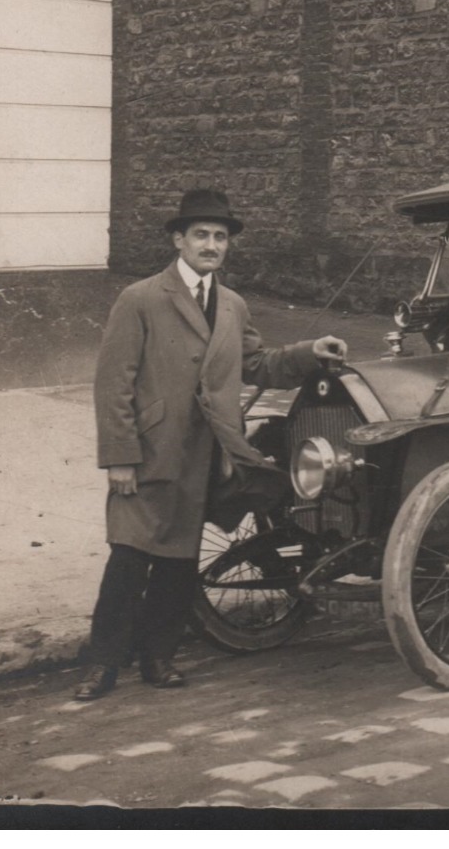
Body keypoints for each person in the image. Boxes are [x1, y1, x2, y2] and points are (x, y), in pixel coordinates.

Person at [74, 188, 348, 700]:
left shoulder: (234, 306)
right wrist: (119, 457)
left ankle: (158, 658)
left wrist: (310, 352)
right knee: (128, 560)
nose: (211, 245)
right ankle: (103, 665)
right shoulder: (140, 299)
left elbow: (258, 365)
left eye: (220, 237)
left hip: (207, 457)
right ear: (179, 240)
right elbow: (113, 384)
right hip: (150, 452)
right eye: (200, 234)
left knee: (179, 562)